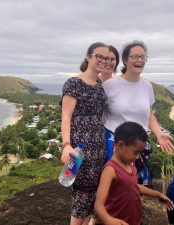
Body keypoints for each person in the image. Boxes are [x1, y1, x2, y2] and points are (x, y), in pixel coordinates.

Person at [103, 40, 174, 187]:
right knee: (115, 184)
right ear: (125, 60)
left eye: (143, 57)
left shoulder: (147, 86)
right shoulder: (110, 85)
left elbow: (149, 114)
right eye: (135, 56)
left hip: (138, 145)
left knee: (134, 185)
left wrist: (159, 134)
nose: (139, 60)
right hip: (115, 145)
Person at [61, 42, 114, 225]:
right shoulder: (74, 83)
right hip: (79, 148)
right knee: (81, 194)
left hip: (98, 146)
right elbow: (66, 117)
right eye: (99, 56)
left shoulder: (100, 85)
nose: (103, 60)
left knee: (94, 193)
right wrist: (66, 146)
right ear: (88, 57)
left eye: (106, 58)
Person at [95, 121, 174, 225]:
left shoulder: (131, 166)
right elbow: (98, 205)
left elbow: (133, 186)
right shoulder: (110, 169)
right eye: (135, 153)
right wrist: (108, 220)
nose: (137, 157)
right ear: (120, 145)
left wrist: (158, 194)